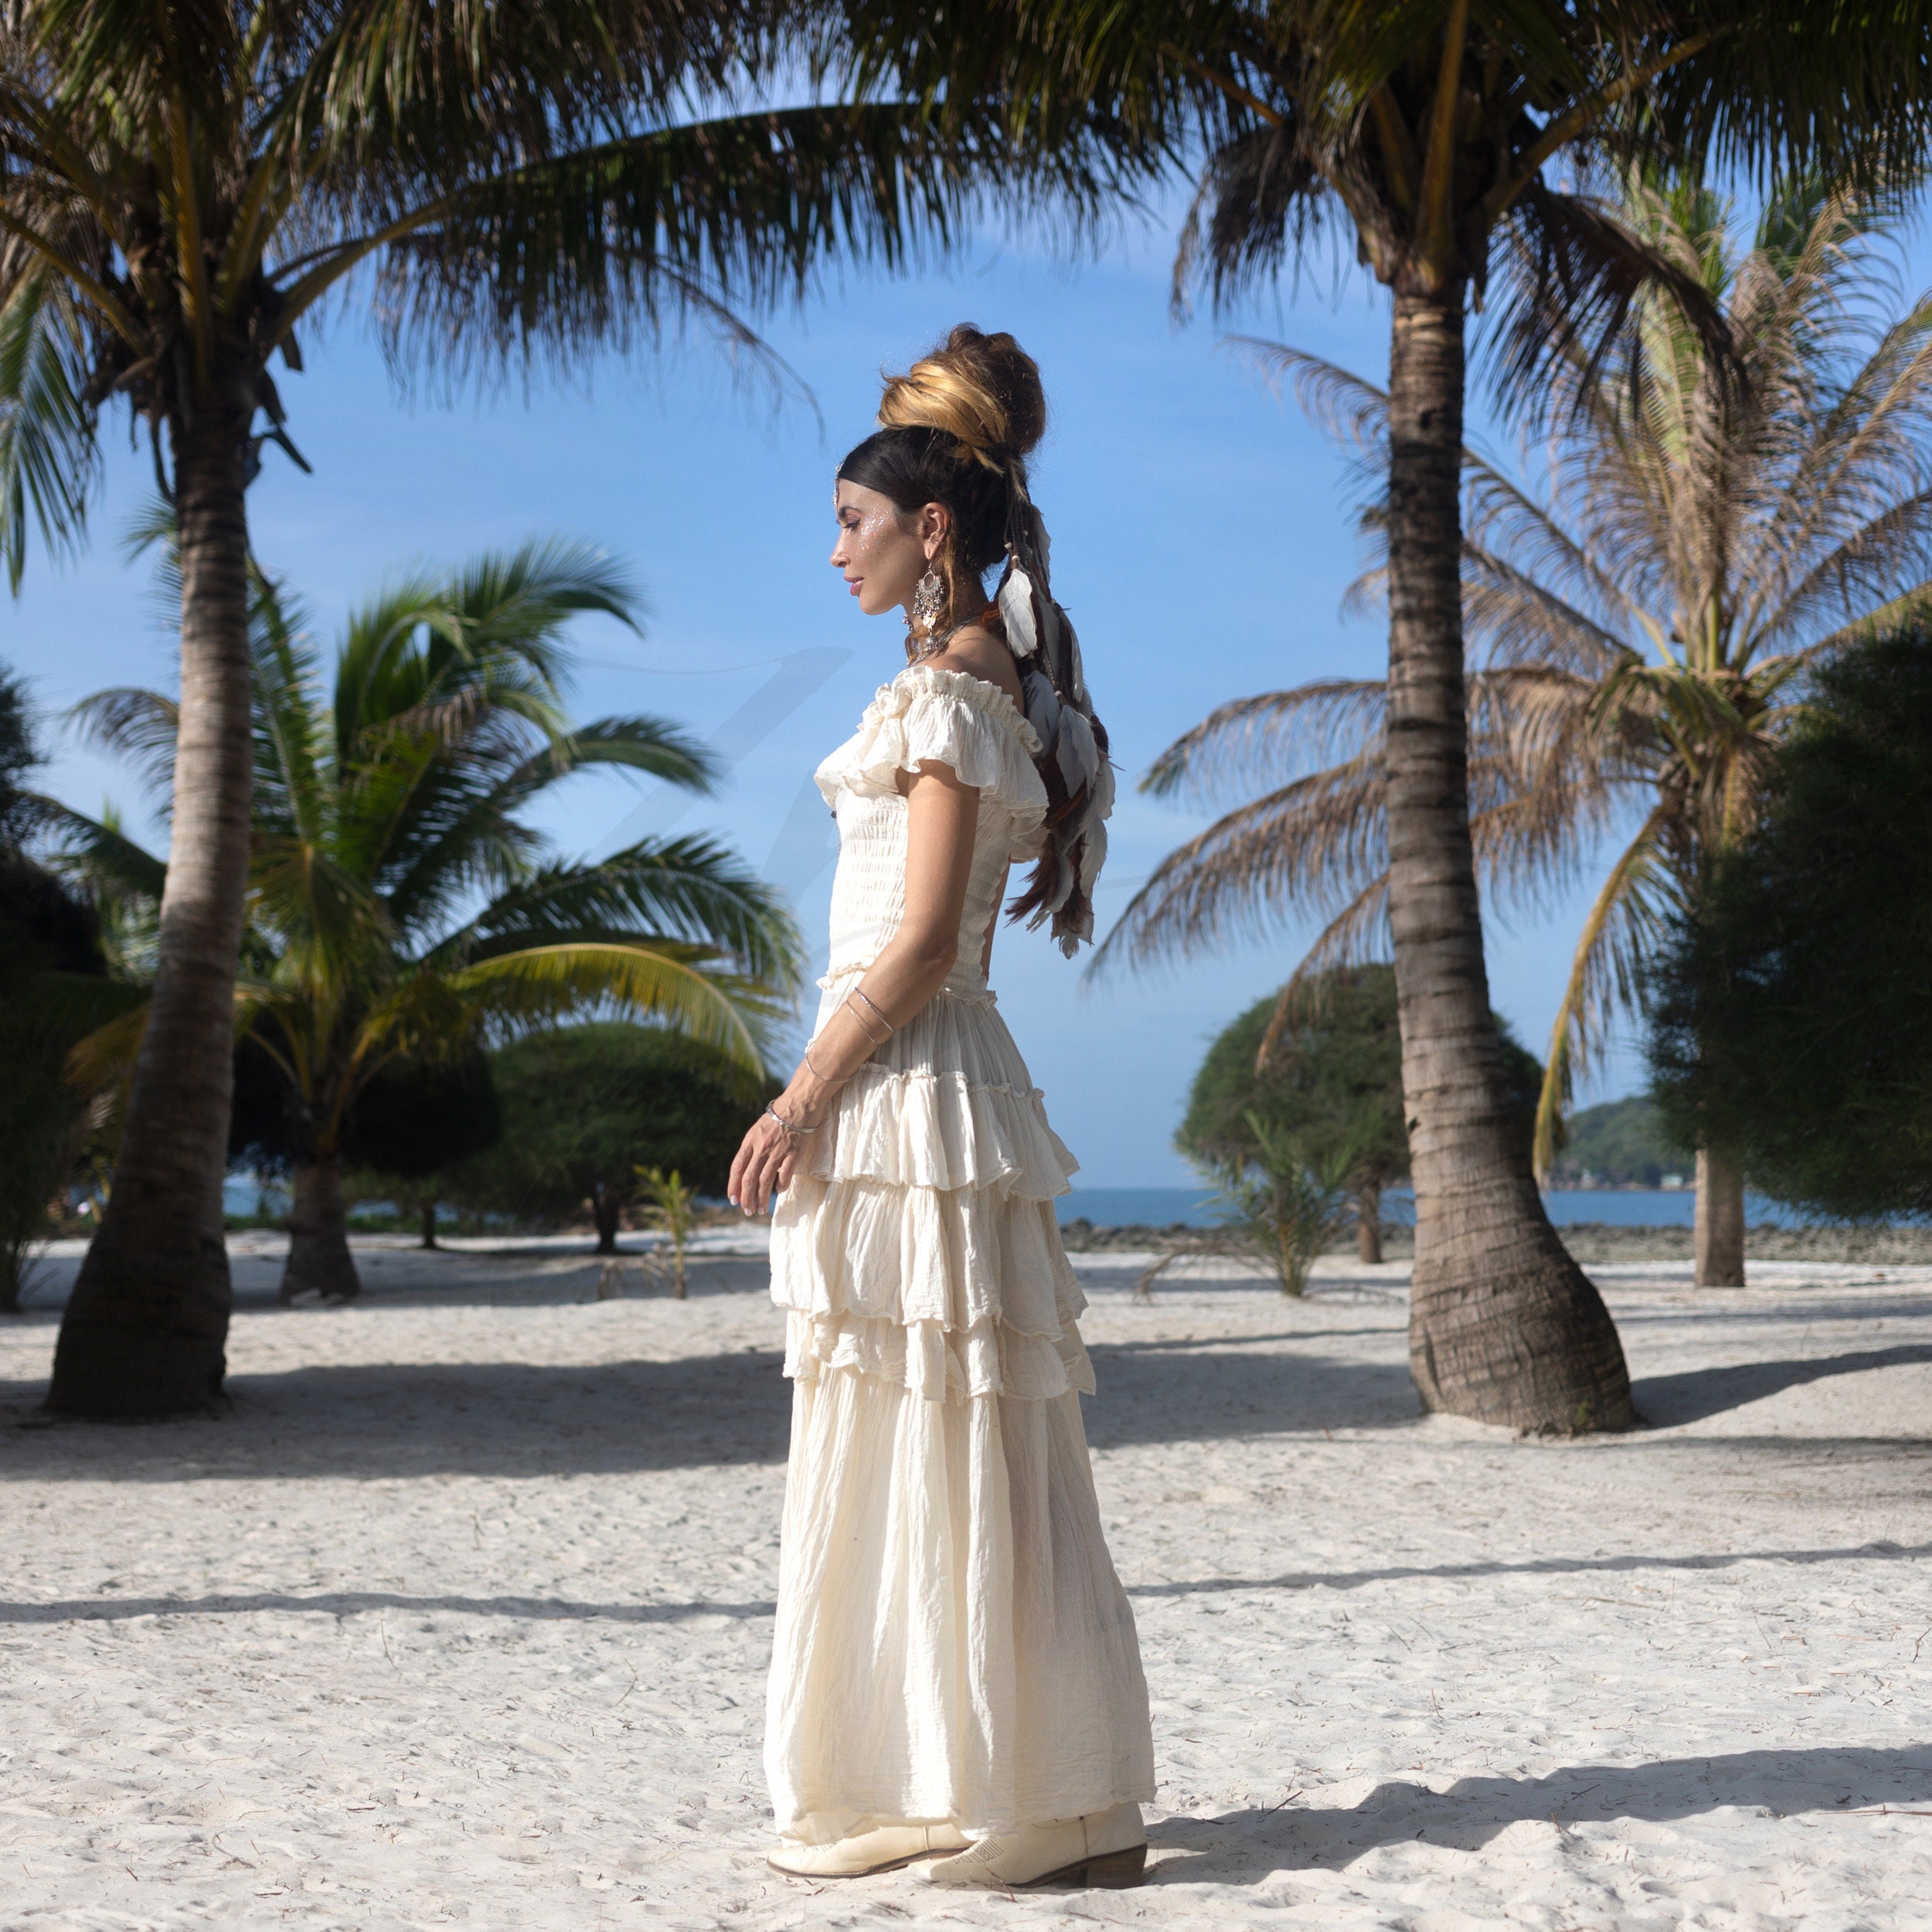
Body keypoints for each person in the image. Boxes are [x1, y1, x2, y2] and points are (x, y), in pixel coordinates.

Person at [726, 325, 1155, 1889]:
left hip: (909, 1090)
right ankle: (912, 1777)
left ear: (931, 528)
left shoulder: (957, 693)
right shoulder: (968, 684)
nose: (835, 548)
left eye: (853, 519)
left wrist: (799, 1096)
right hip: (910, 1097)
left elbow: (916, 948)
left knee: (965, 1442)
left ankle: (1056, 1803)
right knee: (907, 1433)